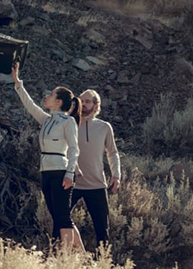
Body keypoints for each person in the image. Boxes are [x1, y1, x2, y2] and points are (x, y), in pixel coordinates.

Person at [11, 62, 84, 253]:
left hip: (61, 171)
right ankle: (82, 254)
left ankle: (65, 257)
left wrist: (70, 174)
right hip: (46, 171)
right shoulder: (46, 120)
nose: (47, 96)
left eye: (51, 95)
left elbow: (74, 149)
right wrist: (18, 83)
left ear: (58, 102)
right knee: (58, 216)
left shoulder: (68, 122)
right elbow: (30, 105)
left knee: (62, 217)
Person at [72, 89, 121, 247]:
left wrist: (116, 175)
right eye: (81, 101)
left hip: (96, 185)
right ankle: (62, 256)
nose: (83, 104)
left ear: (96, 105)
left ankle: (103, 260)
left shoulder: (104, 127)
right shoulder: (69, 124)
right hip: (71, 183)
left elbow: (112, 153)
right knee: (60, 222)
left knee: (102, 231)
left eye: (87, 101)